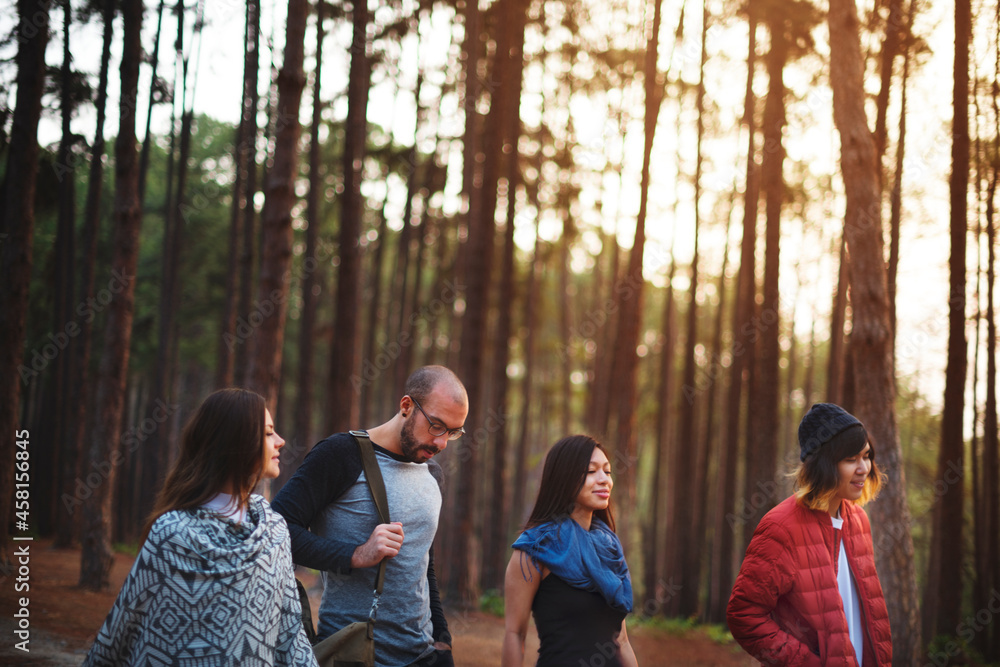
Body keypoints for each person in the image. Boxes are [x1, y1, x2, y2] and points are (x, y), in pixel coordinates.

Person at [83, 388, 318, 667]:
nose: (280, 441)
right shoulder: (172, 532)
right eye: (268, 433)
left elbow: (291, 634)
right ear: (237, 442)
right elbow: (124, 626)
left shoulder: (275, 531)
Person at [272, 365, 467, 667]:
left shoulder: (432, 472)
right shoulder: (340, 454)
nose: (441, 443)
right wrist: (356, 554)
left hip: (425, 655)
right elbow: (277, 531)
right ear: (406, 406)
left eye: (453, 433)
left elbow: (423, 565)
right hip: (353, 654)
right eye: (436, 426)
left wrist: (443, 639)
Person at [727, 403, 893, 666]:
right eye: (851, 459)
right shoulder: (781, 527)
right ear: (823, 464)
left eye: (866, 455)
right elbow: (743, 614)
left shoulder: (859, 520)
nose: (864, 468)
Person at [502, 435, 638, 667]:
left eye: (607, 471)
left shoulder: (609, 548)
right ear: (564, 477)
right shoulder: (535, 549)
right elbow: (515, 634)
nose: (604, 479)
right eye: (591, 471)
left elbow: (622, 640)